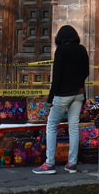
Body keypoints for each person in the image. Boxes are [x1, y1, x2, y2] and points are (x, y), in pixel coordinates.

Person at [34, 25, 90, 174]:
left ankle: (50, 163)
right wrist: (78, 84)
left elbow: (57, 76)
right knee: (73, 127)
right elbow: (86, 72)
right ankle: (72, 163)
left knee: (52, 125)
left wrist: (50, 98)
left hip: (63, 94)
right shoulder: (82, 49)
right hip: (78, 94)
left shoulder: (61, 51)